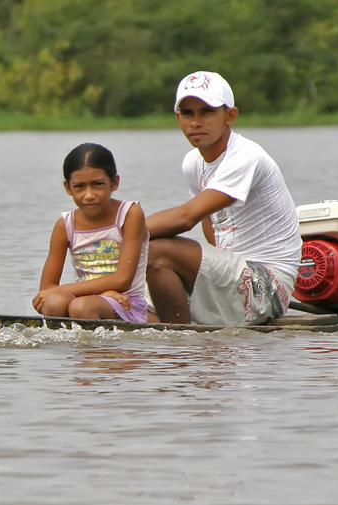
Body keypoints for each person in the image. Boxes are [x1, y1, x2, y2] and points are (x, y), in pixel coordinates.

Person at [145, 71, 302, 325]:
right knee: (122, 301)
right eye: (187, 113)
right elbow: (210, 225)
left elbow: (187, 217)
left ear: (230, 116)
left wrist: (119, 231)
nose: (195, 121)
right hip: (234, 272)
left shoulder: (246, 155)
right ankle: (172, 332)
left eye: (206, 111)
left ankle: (177, 340)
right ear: (178, 118)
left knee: (157, 250)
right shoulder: (193, 163)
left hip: (269, 285)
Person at [32, 143, 150, 322]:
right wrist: (102, 292)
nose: (89, 195)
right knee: (54, 303)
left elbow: (122, 280)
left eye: (97, 184)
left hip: (126, 303)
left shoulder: (129, 214)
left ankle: (96, 351)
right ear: (68, 188)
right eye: (80, 186)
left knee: (82, 306)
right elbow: (47, 289)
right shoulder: (65, 225)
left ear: (114, 182)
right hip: (83, 299)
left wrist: (107, 294)